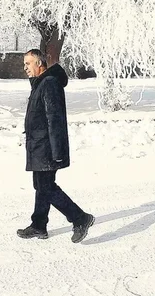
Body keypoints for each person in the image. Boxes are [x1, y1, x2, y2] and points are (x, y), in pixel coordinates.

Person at [16, 49, 95, 243]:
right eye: (24, 64)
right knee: (41, 185)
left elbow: (55, 119)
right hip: (38, 145)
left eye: (28, 63)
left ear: (39, 64)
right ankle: (39, 225)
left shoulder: (49, 84)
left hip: (47, 147)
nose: (25, 67)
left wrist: (57, 150)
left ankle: (80, 218)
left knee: (46, 186)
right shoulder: (40, 83)